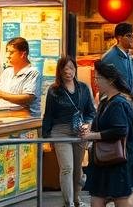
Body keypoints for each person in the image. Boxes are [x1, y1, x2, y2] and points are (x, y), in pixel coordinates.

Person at [80, 62, 133, 207]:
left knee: (120, 201)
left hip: (117, 160)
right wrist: (89, 129)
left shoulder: (118, 103)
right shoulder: (106, 101)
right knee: (97, 200)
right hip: (105, 159)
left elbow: (120, 130)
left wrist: (92, 136)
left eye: (98, 79)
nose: (96, 82)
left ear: (109, 80)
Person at [42, 56, 96, 207]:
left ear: (75, 70)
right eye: (65, 68)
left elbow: (91, 111)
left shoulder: (83, 88)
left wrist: (88, 124)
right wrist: (46, 137)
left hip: (79, 131)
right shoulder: (54, 91)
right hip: (60, 131)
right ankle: (69, 203)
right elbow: (49, 114)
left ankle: (77, 199)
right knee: (67, 168)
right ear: (60, 71)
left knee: (78, 171)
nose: (68, 71)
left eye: (71, 68)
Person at [0, 37, 42, 116]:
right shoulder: (6, 72)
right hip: (4, 116)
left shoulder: (32, 72)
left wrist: (0, 94)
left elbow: (27, 98)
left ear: (23, 54)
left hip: (25, 120)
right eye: (7, 52)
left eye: (11, 52)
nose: (8, 56)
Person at [98, 24, 133, 95]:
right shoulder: (109, 57)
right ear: (119, 38)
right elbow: (103, 84)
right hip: (116, 101)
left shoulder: (128, 55)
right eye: (129, 36)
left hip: (129, 100)